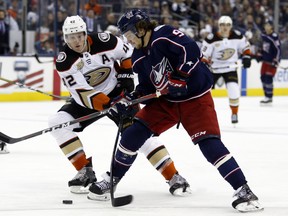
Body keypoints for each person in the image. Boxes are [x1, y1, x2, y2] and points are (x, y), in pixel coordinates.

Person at [88, 9, 263, 213]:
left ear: (141, 28)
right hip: (168, 102)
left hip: (195, 99)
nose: (127, 39)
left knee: (209, 144)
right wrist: (130, 98)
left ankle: (244, 190)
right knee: (132, 134)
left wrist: (180, 77)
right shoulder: (137, 56)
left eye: (128, 34)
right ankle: (113, 178)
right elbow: (147, 87)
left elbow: (191, 50)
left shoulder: (163, 34)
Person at [48, 15, 191, 196]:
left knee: (139, 134)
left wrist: (125, 80)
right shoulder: (64, 61)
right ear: (64, 38)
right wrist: (108, 103)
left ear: (85, 33)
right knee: (56, 122)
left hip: (118, 93)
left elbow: (127, 54)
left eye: (78, 35)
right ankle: (85, 171)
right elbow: (83, 93)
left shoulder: (105, 41)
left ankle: (174, 177)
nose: (76, 41)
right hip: (91, 100)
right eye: (70, 37)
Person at [201, 15, 252, 124]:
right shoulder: (211, 39)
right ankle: (200, 113)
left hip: (230, 69)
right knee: (203, 92)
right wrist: (204, 64)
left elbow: (245, 47)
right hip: (213, 70)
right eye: (223, 25)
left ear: (231, 26)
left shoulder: (237, 36)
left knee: (234, 90)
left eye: (228, 25)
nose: (225, 27)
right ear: (219, 25)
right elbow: (204, 55)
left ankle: (234, 113)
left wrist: (247, 57)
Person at [256, 21, 281, 104]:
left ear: (272, 27)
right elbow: (262, 47)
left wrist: (276, 60)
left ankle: (269, 97)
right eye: (265, 25)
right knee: (263, 78)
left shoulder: (274, 36)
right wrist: (259, 54)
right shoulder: (263, 36)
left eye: (268, 25)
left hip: (271, 62)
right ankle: (266, 95)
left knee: (268, 78)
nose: (266, 27)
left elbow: (278, 49)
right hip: (265, 62)